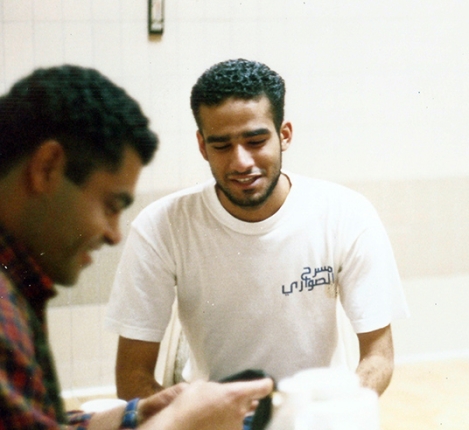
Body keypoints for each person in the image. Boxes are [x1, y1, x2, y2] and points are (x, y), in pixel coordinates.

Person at [105, 58, 409, 400]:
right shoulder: (160, 226)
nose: (241, 162)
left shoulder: (346, 214)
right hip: (214, 417)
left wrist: (328, 413)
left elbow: (378, 357)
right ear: (202, 146)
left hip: (317, 413)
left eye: (255, 141)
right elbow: (132, 378)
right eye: (221, 145)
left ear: (284, 135)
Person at [0, 65, 273, 429]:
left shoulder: (18, 287)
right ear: (47, 168)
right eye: (111, 205)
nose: (114, 234)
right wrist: (179, 422)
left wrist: (137, 414)